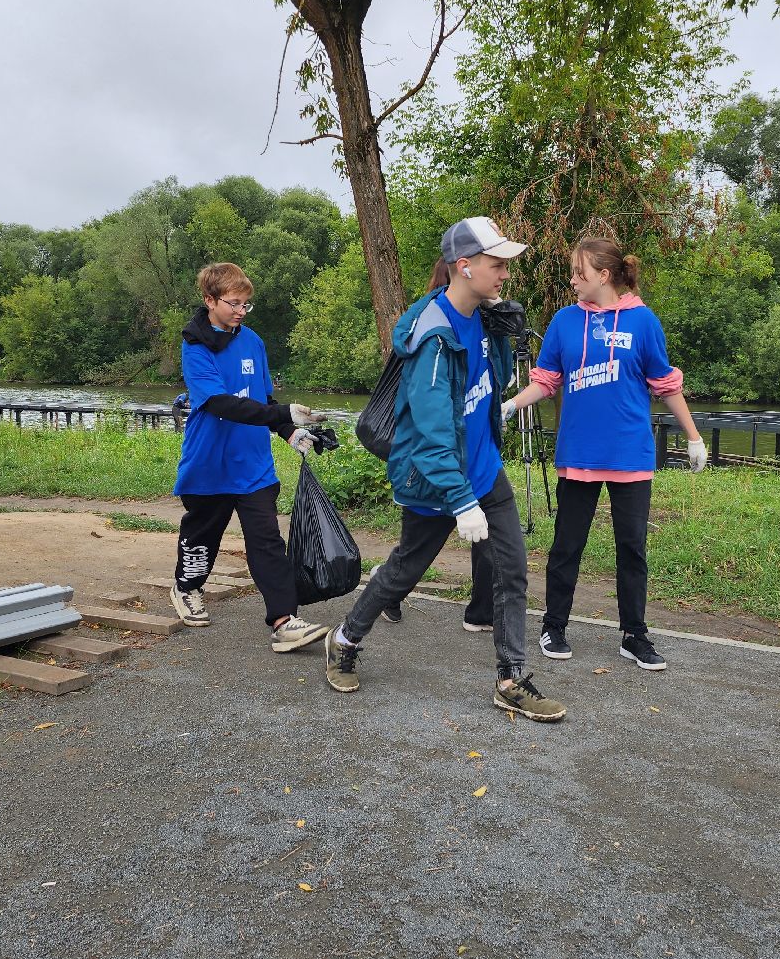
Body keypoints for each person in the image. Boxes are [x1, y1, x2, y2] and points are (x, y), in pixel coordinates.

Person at [325, 218, 566, 722]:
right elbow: (434, 437)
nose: (504, 274)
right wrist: (460, 501)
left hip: (483, 469)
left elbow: (486, 388)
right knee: (405, 570)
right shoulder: (433, 339)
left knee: (512, 572)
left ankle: (511, 678)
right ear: (465, 266)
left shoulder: (481, 314)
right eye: (496, 264)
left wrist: (503, 338)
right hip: (437, 479)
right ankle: (345, 638)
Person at [503, 238, 706, 671]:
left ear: (604, 275)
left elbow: (666, 385)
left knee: (632, 548)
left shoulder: (644, 322)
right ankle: (553, 626)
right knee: (566, 545)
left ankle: (635, 635)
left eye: (580, 272)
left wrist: (693, 437)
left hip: (630, 455)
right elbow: (546, 380)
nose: (573, 279)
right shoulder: (563, 322)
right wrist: (511, 405)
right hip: (578, 453)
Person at [170, 261, 334, 653]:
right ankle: (187, 586)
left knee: (266, 540)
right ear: (209, 300)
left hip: (253, 465)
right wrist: (280, 415)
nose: (242, 311)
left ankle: (283, 620)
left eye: (246, 304)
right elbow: (223, 405)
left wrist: (290, 430)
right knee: (202, 535)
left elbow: (263, 401)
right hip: (210, 463)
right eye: (234, 303)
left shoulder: (253, 341)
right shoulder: (194, 348)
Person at [375, 257, 493, 631]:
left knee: (496, 547)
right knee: (414, 555)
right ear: (460, 274)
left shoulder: (479, 322)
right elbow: (430, 424)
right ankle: (380, 599)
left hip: (473, 461)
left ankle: (483, 612)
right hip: (432, 467)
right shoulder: (433, 333)